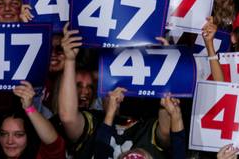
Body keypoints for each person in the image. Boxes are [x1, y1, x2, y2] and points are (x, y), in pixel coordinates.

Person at [57, 24, 171, 159]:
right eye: (110, 89)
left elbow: (166, 129)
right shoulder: (93, 123)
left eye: (122, 89)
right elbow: (67, 117)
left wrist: (165, 68)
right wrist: (70, 59)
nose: (116, 95)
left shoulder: (147, 129)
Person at [0, 82, 65, 159]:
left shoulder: (41, 156)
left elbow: (54, 144)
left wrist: (29, 108)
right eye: (4, 134)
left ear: (29, 136)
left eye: (19, 135)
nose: (9, 141)